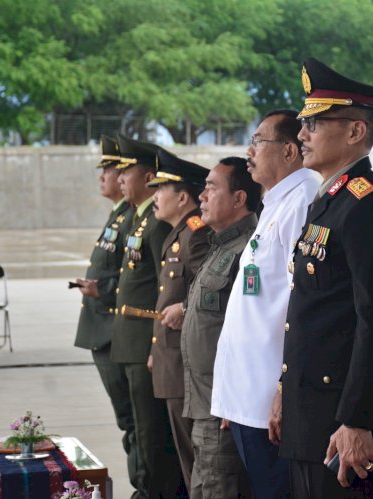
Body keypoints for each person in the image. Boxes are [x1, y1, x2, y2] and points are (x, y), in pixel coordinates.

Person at [272, 57, 373, 498]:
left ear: (354, 131)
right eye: (303, 123)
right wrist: (285, 390)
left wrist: (358, 419)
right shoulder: (330, 202)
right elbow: (315, 313)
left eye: (314, 123)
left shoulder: (369, 207)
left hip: (344, 428)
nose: (301, 134)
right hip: (312, 414)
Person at [210, 109, 320, 498]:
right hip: (248, 394)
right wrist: (231, 391)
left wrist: (283, 387)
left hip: (269, 399)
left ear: (290, 151)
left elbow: (302, 301)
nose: (249, 149)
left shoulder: (303, 199)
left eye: (258, 141)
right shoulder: (276, 201)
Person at [181, 157, 260, 498]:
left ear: (239, 198)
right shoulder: (221, 247)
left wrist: (236, 396)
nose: (202, 196)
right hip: (203, 406)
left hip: (223, 413)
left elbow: (255, 331)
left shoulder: (250, 251)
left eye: (212, 188)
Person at [72, 135, 142, 495]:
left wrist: (104, 288)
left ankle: (143, 487)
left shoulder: (133, 217)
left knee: (134, 420)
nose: (103, 176)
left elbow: (137, 274)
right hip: (104, 328)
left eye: (111, 169)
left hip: (115, 330)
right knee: (129, 420)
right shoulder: (119, 214)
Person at [110, 135, 179, 497]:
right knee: (139, 425)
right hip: (131, 339)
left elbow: (165, 287)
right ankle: (148, 486)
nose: (120, 179)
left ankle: (155, 489)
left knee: (152, 430)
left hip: (145, 341)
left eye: (128, 172)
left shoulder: (157, 225)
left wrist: (156, 344)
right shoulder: (141, 222)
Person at [146, 147, 211, 491]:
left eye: (160, 190)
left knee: (195, 456)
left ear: (183, 196)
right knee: (186, 456)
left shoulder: (196, 232)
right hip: (171, 359)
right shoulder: (178, 233)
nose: (154, 197)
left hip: (187, 365)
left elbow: (209, 287)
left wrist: (184, 309)